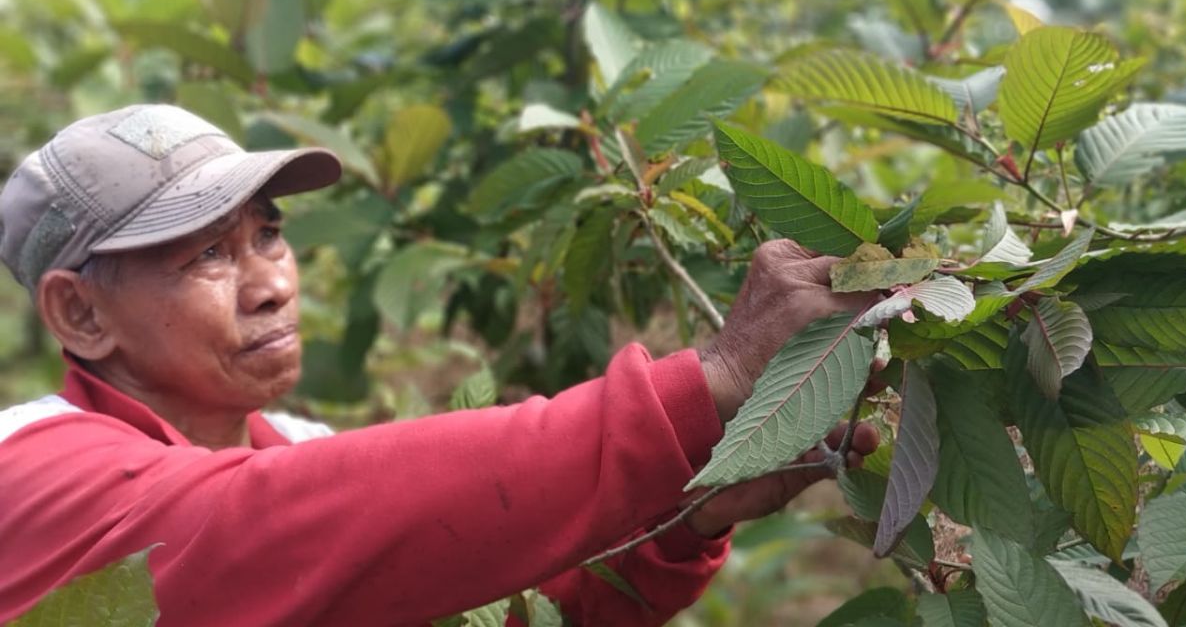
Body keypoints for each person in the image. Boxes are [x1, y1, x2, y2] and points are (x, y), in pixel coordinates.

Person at [0, 104, 879, 626]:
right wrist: (703, 386)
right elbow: (257, 526)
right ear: (79, 313)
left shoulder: (296, 446)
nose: (270, 282)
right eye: (206, 257)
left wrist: (684, 519)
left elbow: (517, 604)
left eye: (267, 233)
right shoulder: (27, 469)